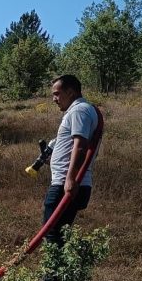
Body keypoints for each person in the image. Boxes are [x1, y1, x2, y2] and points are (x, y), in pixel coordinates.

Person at [42, 75, 100, 246]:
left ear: (71, 91)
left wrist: (70, 178)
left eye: (57, 94)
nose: (54, 99)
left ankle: (52, 274)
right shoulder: (81, 110)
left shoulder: (79, 110)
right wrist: (52, 160)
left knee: (52, 236)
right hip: (68, 182)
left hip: (65, 184)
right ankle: (63, 272)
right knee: (58, 236)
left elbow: (80, 146)